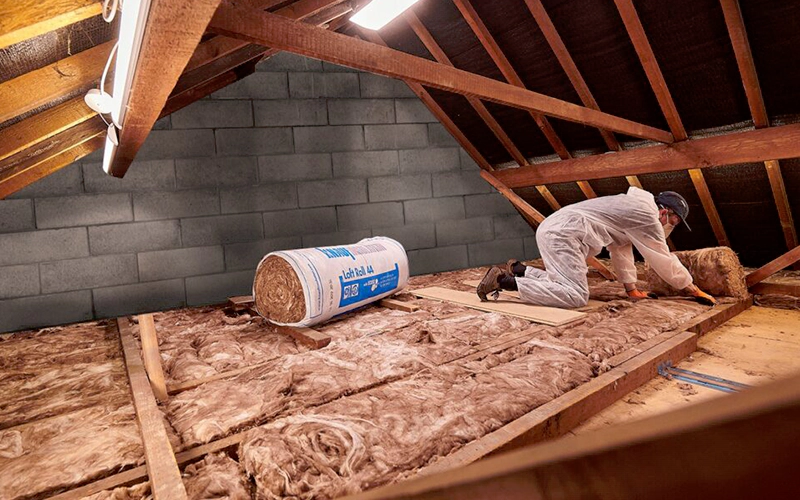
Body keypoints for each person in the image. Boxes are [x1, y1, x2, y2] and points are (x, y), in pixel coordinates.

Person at [476, 187, 717, 308]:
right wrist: (692, 288)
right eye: (674, 221)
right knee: (576, 296)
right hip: (565, 235)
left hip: (559, 230)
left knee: (562, 282)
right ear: (664, 210)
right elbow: (661, 257)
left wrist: (631, 290)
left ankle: (520, 270)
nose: (671, 226)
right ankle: (504, 282)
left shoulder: (632, 209)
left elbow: (621, 249)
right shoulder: (647, 214)